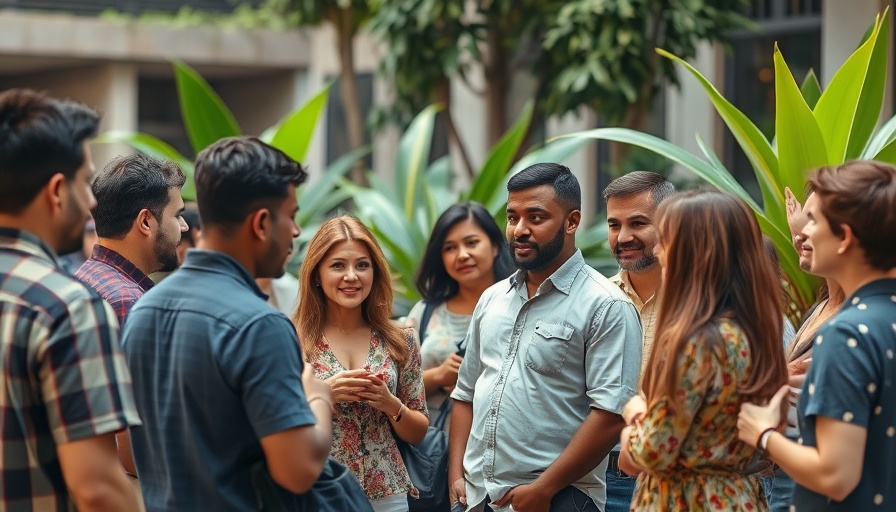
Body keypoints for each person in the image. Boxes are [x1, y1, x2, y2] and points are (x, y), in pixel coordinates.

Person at [121, 136, 333, 511]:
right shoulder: (259, 325)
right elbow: (298, 470)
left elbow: (128, 452)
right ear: (263, 223)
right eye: (292, 216)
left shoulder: (143, 312)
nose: (297, 232)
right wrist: (318, 396)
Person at [449, 163, 643, 512]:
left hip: (558, 499)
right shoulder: (492, 299)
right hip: (477, 499)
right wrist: (456, 478)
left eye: (535, 218)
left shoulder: (606, 305)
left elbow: (611, 414)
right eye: (512, 217)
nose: (519, 230)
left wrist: (544, 488)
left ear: (571, 221)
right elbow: (465, 393)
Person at [0, 88, 141, 511]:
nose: (92, 201)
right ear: (57, 190)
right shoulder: (67, 306)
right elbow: (98, 487)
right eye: (86, 181)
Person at [738, 161, 896, 511]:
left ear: (846, 238)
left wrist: (761, 432)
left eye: (813, 221)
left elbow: (834, 475)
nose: (799, 233)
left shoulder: (847, 332)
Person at [619, 189, 788, 511]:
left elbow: (647, 454)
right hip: (740, 497)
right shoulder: (750, 332)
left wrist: (633, 412)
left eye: (665, 241)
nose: (657, 252)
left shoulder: (696, 341)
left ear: (692, 253)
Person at [74, 153, 187, 509]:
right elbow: (135, 448)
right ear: (146, 221)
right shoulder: (129, 303)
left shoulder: (80, 280)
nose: (184, 228)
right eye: (178, 215)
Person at [295, 215, 429, 512]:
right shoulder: (293, 339)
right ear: (317, 274)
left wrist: (390, 403)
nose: (352, 276)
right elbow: (274, 420)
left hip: (388, 495)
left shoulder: (400, 338)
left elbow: (419, 430)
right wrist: (323, 394)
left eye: (362, 265)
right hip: (319, 491)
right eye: (338, 265)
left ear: (375, 272)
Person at [761, 189, 845, 512]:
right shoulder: (821, 307)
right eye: (800, 223)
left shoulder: (861, 319)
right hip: (785, 473)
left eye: (813, 222)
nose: (799, 234)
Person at [601, 171, 674, 512]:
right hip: (598, 478)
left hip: (676, 478)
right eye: (614, 225)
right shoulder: (594, 299)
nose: (623, 237)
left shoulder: (702, 303)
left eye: (638, 223)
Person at [405, 202, 514, 422]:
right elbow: (396, 385)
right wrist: (438, 376)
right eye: (450, 248)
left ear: (494, 246)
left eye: (471, 243)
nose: (462, 255)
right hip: (432, 446)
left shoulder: (520, 307)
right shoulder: (425, 313)